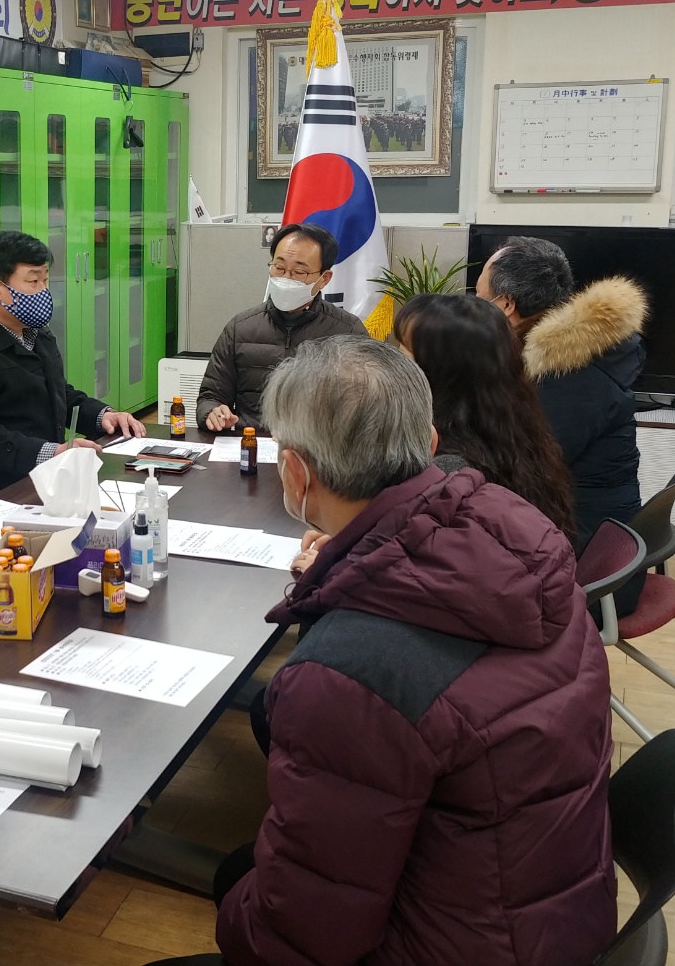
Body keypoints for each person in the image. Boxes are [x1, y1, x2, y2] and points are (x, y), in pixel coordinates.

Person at [164, 337, 617, 966]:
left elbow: (301, 939)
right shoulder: (515, 532)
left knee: (237, 892)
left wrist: (239, 915)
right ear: (428, 444)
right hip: (552, 904)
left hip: (464, 944)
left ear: (294, 474)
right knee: (243, 870)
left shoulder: (348, 676)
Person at [0, 230, 145, 515]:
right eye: (33, 281)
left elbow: (57, 392)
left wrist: (103, 416)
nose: (43, 290)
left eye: (45, 280)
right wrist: (53, 453)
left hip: (42, 481)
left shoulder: (34, 331)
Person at [476, 236, 648, 548]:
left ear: (506, 305)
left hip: (581, 543)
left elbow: (518, 468)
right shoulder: (572, 353)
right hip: (578, 523)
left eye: (479, 299)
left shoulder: (566, 375)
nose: (474, 309)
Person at [394, 293, 577, 537]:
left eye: (404, 354)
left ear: (442, 374)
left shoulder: (446, 472)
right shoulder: (517, 431)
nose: (394, 365)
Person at [195, 223, 366, 433]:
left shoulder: (348, 332)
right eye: (279, 267)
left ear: (324, 279)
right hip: (251, 442)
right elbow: (210, 396)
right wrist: (212, 412)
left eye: (299, 272)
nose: (285, 278)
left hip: (316, 447)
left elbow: (365, 409)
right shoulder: (241, 328)